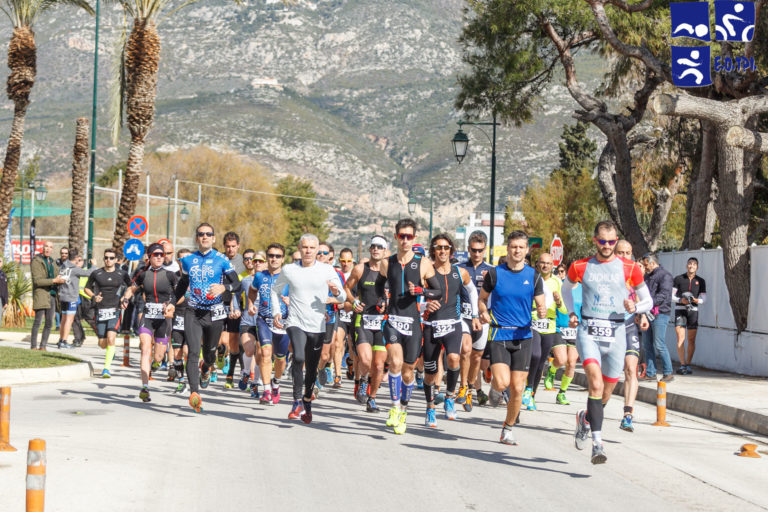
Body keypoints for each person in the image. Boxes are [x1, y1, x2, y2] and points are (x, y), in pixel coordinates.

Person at [563, 220, 652, 464]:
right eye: (602, 241)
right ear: (595, 240)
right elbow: (565, 289)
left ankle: (586, 418)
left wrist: (636, 306)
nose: (607, 246)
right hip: (589, 330)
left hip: (616, 332)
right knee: (594, 383)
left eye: (612, 241)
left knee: (607, 391)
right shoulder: (580, 266)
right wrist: (571, 312)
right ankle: (597, 444)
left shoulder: (631, 268)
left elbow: (648, 300)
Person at [478, 231, 546, 446]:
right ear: (507, 249)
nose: (517, 250)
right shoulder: (494, 274)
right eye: (513, 247)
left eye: (521, 247)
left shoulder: (533, 276)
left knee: (517, 388)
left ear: (527, 250)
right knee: (502, 382)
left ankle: (507, 428)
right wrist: (482, 312)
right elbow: (482, 300)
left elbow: (541, 303)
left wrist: (542, 310)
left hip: (523, 335)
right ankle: (495, 386)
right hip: (499, 333)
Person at [270, 233, 346, 424]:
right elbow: (275, 290)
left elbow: (343, 297)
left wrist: (336, 292)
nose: (309, 251)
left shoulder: (327, 270)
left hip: (318, 325)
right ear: (299, 248)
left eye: (313, 248)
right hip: (295, 322)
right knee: (298, 357)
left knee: (312, 366)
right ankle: (296, 401)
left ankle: (307, 400)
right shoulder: (289, 269)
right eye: (305, 247)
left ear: (317, 250)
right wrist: (277, 312)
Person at [378, 219, 442, 435]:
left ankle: (404, 409)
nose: (405, 240)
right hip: (393, 320)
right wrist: (380, 302)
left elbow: (438, 292)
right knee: (394, 361)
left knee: (407, 373)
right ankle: (394, 408)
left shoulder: (423, 263)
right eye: (401, 236)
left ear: (415, 238)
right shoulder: (387, 263)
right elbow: (379, 288)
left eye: (409, 236)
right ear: (396, 237)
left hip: (413, 324)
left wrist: (421, 292)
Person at [174, 223, 241, 412]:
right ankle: (194, 393)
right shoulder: (188, 261)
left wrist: (224, 288)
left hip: (214, 313)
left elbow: (237, 284)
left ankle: (207, 367)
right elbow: (182, 284)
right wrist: (172, 302)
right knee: (193, 352)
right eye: (201, 234)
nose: (204, 237)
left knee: (210, 353)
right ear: (197, 239)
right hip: (193, 311)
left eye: (208, 234)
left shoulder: (222, 260)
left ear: (213, 238)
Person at [422, 234, 479, 427]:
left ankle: (449, 397)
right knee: (430, 373)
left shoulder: (460, 272)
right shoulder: (426, 272)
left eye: (446, 248)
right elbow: (414, 298)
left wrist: (476, 315)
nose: (443, 251)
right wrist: (424, 307)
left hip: (453, 324)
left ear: (451, 250)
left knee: (455, 357)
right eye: (439, 248)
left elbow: (472, 291)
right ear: (434, 251)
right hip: (431, 326)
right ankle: (430, 408)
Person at [121, 243, 178, 402]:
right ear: (149, 257)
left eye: (162, 254)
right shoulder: (142, 275)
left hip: (163, 319)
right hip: (147, 316)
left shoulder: (170, 275)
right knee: (145, 348)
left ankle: (157, 363)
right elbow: (131, 289)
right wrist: (126, 298)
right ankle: (144, 387)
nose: (160, 257)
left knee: (158, 357)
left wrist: (172, 304)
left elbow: (180, 293)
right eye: (156, 254)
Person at [344, 236, 389, 413]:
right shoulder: (360, 269)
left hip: (383, 323)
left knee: (378, 366)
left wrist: (388, 303)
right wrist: (354, 302)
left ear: (385, 251)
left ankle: (372, 398)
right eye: (373, 246)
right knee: (365, 359)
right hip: (362, 320)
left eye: (380, 247)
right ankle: (363, 380)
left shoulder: (391, 272)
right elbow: (346, 288)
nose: (376, 249)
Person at [245, 243, 291, 404]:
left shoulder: (289, 277)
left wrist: (290, 302)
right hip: (263, 320)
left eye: (278, 256)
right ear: (267, 258)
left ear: (283, 259)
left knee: (280, 359)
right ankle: (266, 390)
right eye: (271, 255)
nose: (274, 259)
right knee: (265, 353)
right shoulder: (259, 276)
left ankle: (276, 383)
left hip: (283, 323)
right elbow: (252, 291)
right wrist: (251, 304)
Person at [523, 252, 567, 411]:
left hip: (549, 325)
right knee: (534, 355)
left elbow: (563, 308)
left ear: (552, 266)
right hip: (533, 323)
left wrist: (558, 301)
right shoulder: (531, 277)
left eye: (548, 263)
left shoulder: (557, 282)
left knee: (541, 360)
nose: (545, 266)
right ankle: (527, 388)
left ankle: (531, 395)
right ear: (537, 264)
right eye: (542, 263)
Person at [614, 240, 650, 432]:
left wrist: (642, 314)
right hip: (609, 324)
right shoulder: (606, 270)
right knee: (607, 375)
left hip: (628, 324)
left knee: (630, 368)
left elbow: (638, 296)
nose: (625, 257)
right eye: (621, 252)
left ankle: (628, 414)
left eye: (628, 253)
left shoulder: (634, 271)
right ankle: (594, 411)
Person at [458, 230, 493, 412]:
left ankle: (470, 389)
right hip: (463, 316)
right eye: (473, 250)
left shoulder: (492, 270)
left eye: (480, 250)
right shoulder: (460, 267)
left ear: (485, 250)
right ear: (468, 249)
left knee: (476, 357)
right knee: (465, 350)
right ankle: (462, 385)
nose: (477, 254)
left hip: (483, 318)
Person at [85, 249, 132, 376]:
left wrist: (125, 297)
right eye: (106, 257)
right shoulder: (97, 273)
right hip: (100, 309)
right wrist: (94, 296)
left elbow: (131, 286)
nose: (108, 260)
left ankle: (106, 369)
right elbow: (86, 288)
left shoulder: (122, 274)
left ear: (116, 260)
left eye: (111, 258)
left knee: (111, 339)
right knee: (102, 343)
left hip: (115, 309)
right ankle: (111, 350)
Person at [640, 252, 675, 383]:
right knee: (647, 344)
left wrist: (649, 303)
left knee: (659, 344)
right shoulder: (647, 277)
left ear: (652, 263)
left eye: (646, 264)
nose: (645, 267)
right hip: (647, 313)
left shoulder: (665, 276)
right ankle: (651, 372)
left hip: (660, 313)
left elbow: (664, 295)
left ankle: (668, 372)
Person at [673, 257, 706, 375]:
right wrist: (681, 300)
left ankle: (688, 364)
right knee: (680, 338)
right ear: (686, 265)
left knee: (691, 339)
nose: (691, 266)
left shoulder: (700, 281)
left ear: (697, 267)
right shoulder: (678, 279)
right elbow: (671, 296)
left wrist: (697, 300)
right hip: (680, 310)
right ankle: (682, 365)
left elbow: (704, 299)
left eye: (694, 264)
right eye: (689, 264)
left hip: (693, 311)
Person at [30, 241, 66, 350]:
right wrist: (54, 280)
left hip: (52, 295)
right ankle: (33, 346)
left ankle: (43, 346)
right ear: (42, 247)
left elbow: (56, 276)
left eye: (50, 247)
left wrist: (61, 278)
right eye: (46, 246)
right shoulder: (37, 261)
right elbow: (37, 281)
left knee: (49, 322)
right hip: (41, 294)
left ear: (52, 249)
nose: (48, 249)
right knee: (38, 321)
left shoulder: (52, 262)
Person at [55, 249, 94, 349]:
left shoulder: (63, 265)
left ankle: (61, 340)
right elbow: (88, 273)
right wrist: (93, 265)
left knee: (63, 319)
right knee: (69, 319)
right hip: (71, 296)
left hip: (63, 296)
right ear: (76, 258)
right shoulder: (74, 269)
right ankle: (64, 341)